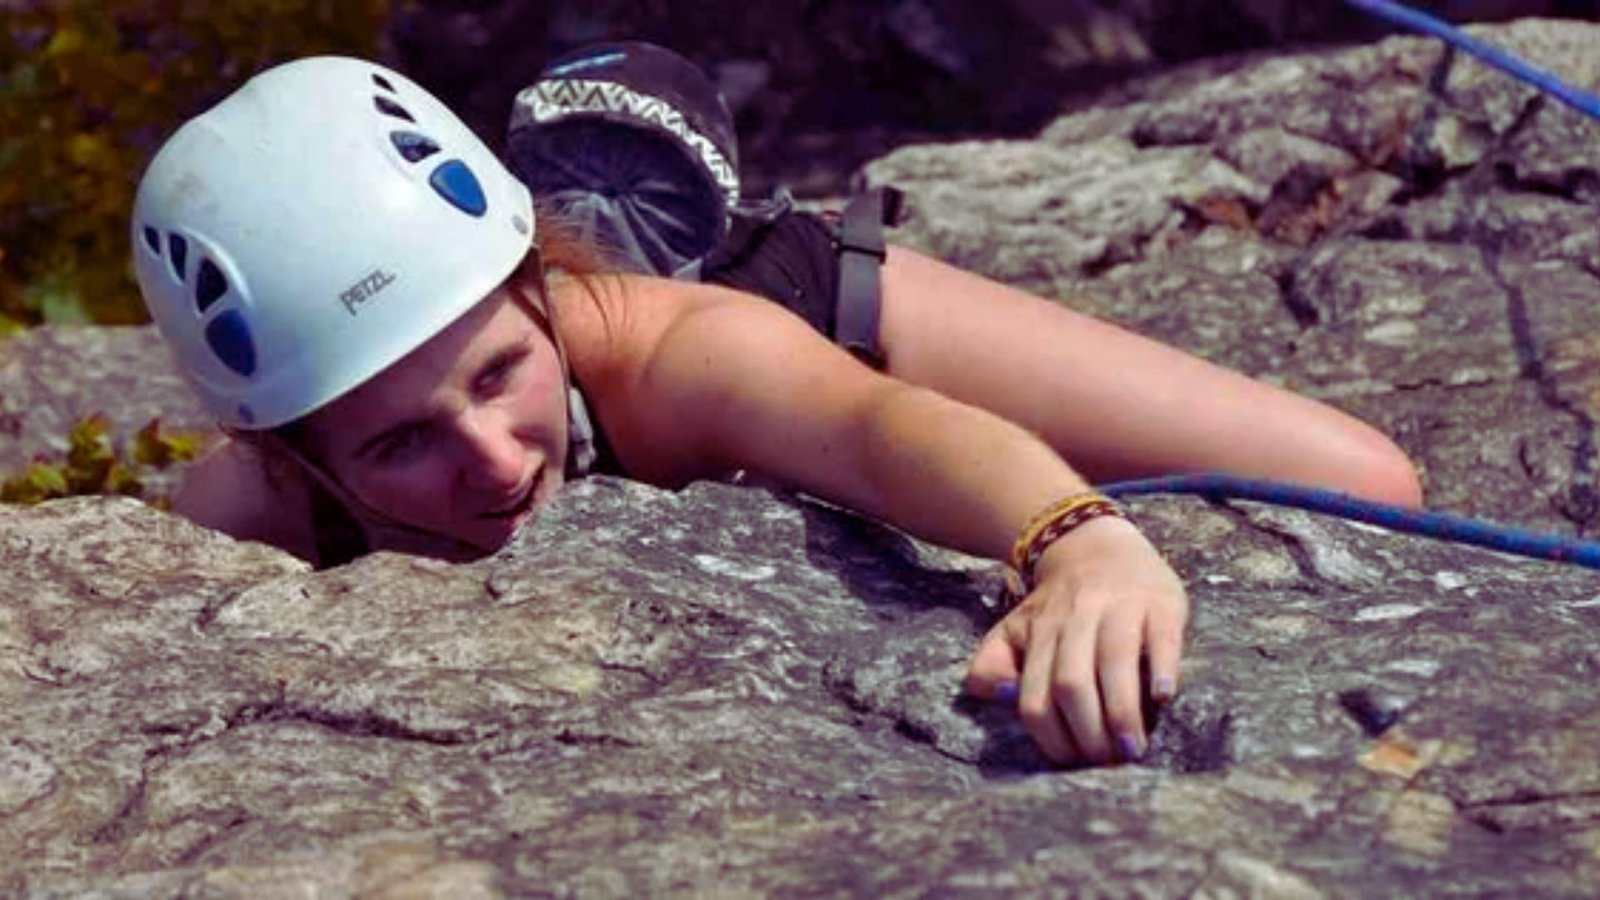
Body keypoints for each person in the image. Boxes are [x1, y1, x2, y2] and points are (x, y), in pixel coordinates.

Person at [133, 56, 1419, 770]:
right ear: (292, 452)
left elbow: (862, 429)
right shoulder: (245, 514)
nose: (491, 460)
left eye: (495, 374)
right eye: (397, 441)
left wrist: (1074, 538)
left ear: (541, 293)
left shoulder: (682, 351)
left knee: (1363, 481)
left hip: (815, 311)